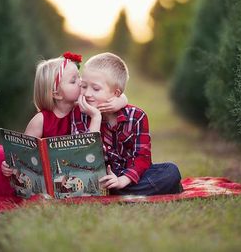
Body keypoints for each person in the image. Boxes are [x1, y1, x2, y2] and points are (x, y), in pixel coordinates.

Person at [0, 52, 127, 197]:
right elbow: (22, 152)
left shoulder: (83, 109)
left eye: (79, 78)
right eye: (74, 81)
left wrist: (120, 101)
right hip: (39, 177)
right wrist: (11, 165)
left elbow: (116, 96)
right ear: (56, 94)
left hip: (66, 175)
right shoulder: (41, 120)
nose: (82, 83)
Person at [71, 52, 182, 196]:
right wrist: (96, 119)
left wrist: (122, 180)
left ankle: (115, 190)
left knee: (170, 171)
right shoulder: (79, 114)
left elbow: (142, 157)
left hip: (128, 176)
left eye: (96, 88)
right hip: (98, 176)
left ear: (116, 93)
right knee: (90, 180)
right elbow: (84, 158)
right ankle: (117, 190)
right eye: (83, 86)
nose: (86, 93)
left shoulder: (137, 116)